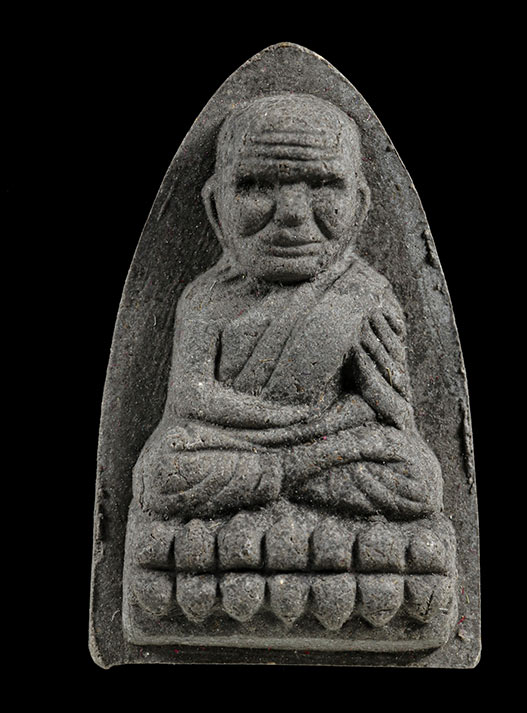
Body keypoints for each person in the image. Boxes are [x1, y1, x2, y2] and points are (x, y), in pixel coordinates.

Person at [131, 94, 443, 522]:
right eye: (257, 186)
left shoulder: (365, 295)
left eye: (323, 185)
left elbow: (389, 410)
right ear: (215, 206)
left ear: (359, 206)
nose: (292, 214)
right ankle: (287, 479)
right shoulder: (205, 298)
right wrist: (284, 421)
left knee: (416, 475)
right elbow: (190, 397)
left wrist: (315, 429)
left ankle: (274, 481)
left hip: (324, 444)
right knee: (165, 468)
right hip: (239, 445)